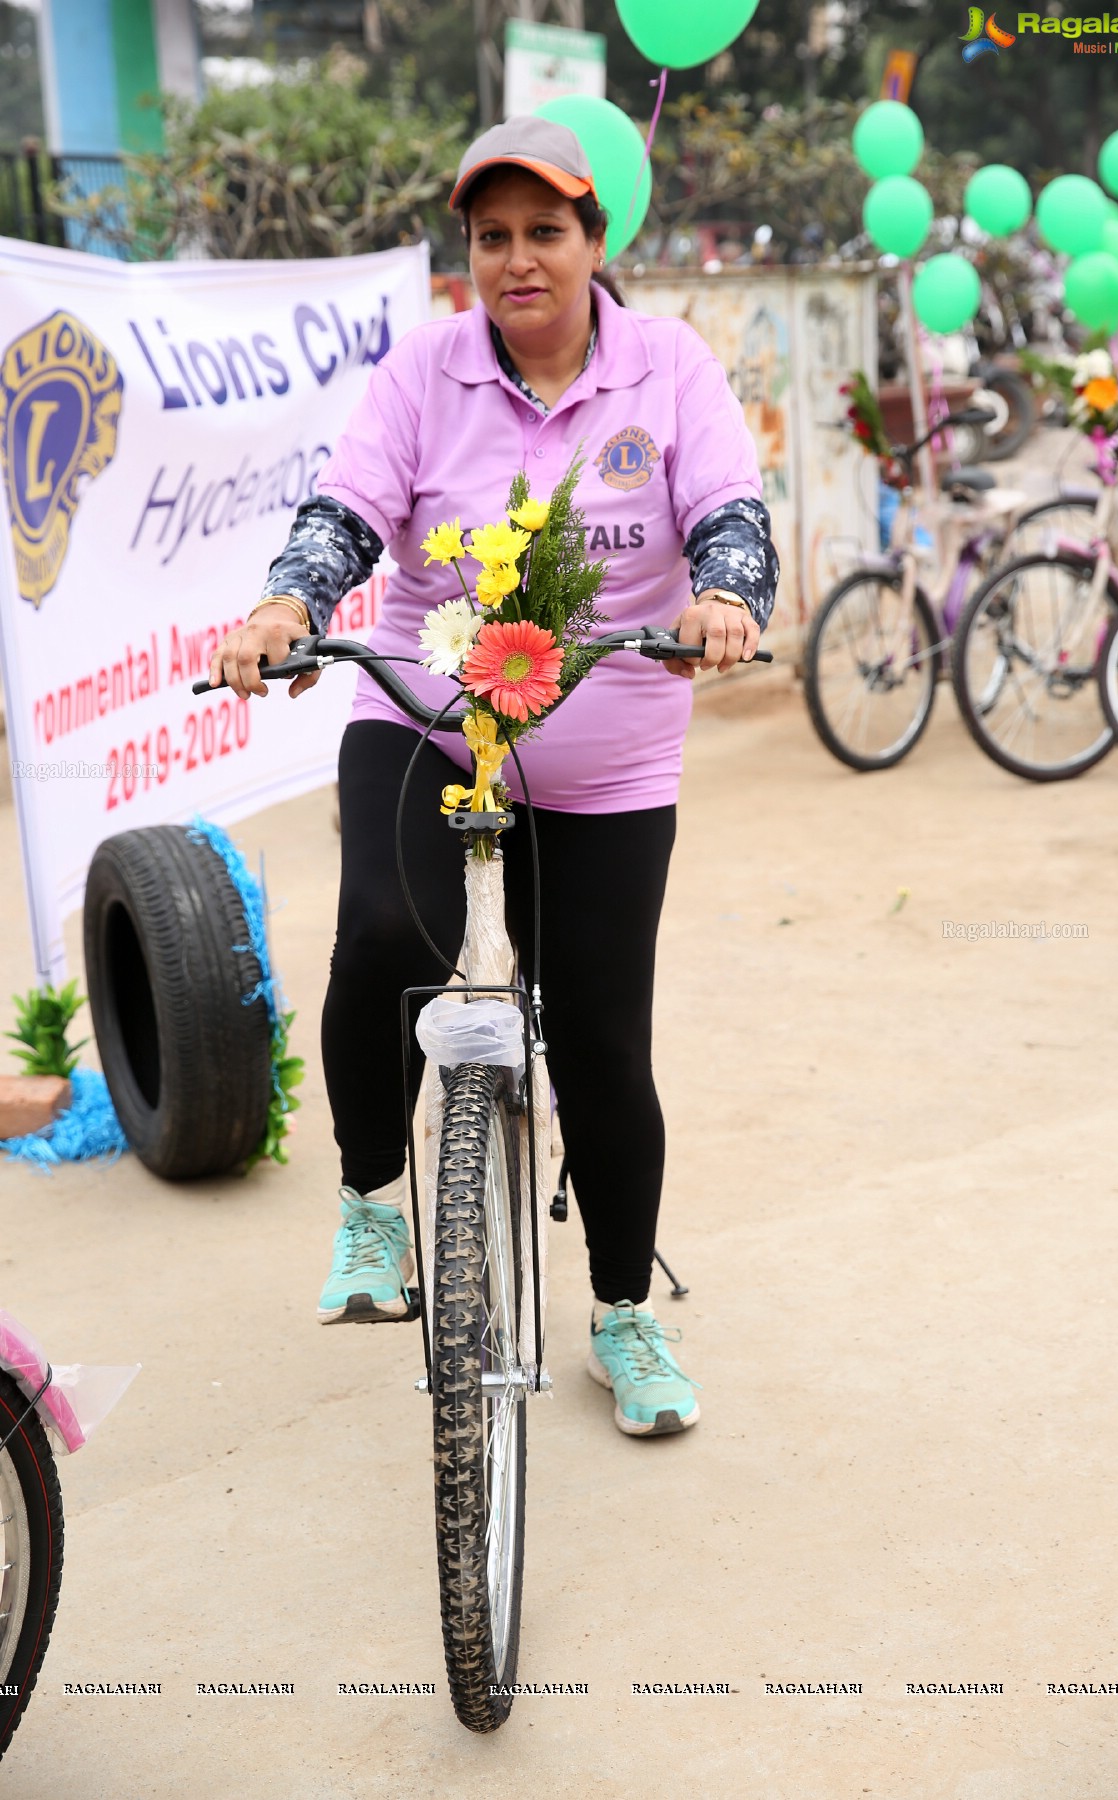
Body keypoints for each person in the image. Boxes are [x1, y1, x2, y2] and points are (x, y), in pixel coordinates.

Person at [209, 116, 779, 1438]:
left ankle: (625, 1319)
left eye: (545, 232)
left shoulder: (669, 368)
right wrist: (289, 608)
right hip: (428, 709)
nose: (517, 261)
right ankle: (367, 1209)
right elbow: (345, 514)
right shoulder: (425, 368)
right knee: (383, 929)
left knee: (598, 1038)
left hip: (609, 746)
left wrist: (728, 597)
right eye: (491, 237)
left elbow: (729, 515)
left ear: (594, 242)